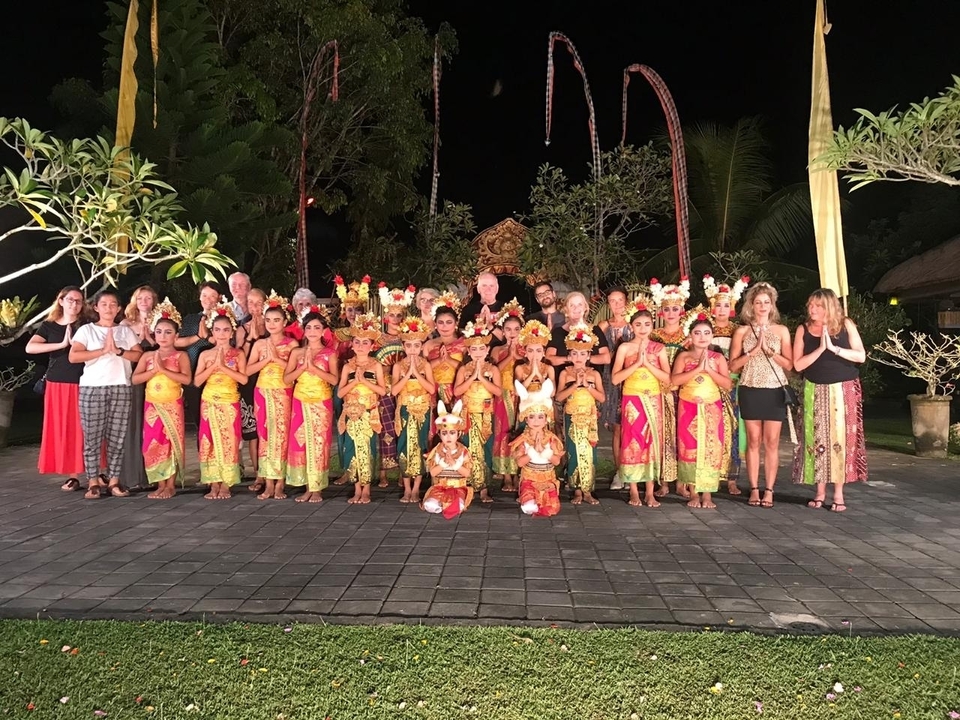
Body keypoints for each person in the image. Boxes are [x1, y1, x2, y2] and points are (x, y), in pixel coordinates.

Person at [792, 288, 868, 511]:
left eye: (817, 306)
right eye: (811, 305)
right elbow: (798, 365)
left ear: (829, 307)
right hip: (814, 388)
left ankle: (839, 495)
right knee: (816, 440)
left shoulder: (846, 325)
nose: (812, 309)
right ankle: (819, 492)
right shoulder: (803, 329)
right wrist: (821, 348)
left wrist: (834, 349)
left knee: (840, 440)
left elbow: (860, 356)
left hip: (843, 389)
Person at [68, 289, 144, 499]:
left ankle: (113, 481)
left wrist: (119, 350)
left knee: (117, 438)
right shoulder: (87, 330)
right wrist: (102, 351)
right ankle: (93, 481)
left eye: (113, 305)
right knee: (92, 437)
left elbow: (138, 354)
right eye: (104, 304)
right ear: (96, 307)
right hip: (92, 388)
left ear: (119, 308)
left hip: (121, 386)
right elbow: (74, 356)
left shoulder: (125, 332)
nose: (109, 308)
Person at [729, 282, 793, 509]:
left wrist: (769, 351)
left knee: (772, 442)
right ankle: (754, 488)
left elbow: (790, 364)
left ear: (772, 304)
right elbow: (733, 366)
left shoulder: (782, 331)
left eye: (766, 302)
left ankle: (770, 490)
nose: (762, 306)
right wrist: (753, 351)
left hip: (775, 390)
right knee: (753, 441)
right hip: (750, 388)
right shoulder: (742, 331)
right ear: (751, 306)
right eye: (758, 302)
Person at [26, 286, 88, 491]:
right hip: (58, 383)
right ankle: (73, 475)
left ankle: (97, 471)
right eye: (70, 299)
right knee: (66, 429)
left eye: (78, 301)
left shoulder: (85, 324)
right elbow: (31, 347)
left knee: (88, 428)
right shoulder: (49, 325)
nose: (74, 304)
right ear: (61, 301)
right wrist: (61, 344)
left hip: (85, 381)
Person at [611, 298, 671, 507]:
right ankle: (634, 490)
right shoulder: (625, 348)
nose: (643, 328)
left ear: (653, 325)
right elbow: (616, 378)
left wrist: (647, 363)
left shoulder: (659, 348)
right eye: (638, 324)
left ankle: (650, 492)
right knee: (632, 442)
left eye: (647, 324)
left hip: (653, 399)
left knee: (652, 443)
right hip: (632, 400)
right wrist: (637, 363)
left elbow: (667, 378)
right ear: (631, 326)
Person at [131, 300, 191, 500]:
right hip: (153, 406)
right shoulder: (147, 356)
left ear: (176, 335)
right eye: (159, 332)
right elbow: (135, 378)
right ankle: (159, 482)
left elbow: (187, 379)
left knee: (171, 443)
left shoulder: (180, 355)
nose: (163, 336)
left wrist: (163, 370)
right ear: (153, 334)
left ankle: (171, 485)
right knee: (153, 443)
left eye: (168, 332)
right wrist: (153, 371)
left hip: (172, 405)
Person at [672, 313, 733, 509]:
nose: (702, 337)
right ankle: (693, 493)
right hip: (688, 408)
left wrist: (709, 370)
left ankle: (707, 494)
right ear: (691, 336)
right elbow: (674, 381)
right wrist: (697, 368)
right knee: (689, 449)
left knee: (710, 449)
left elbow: (727, 384)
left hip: (711, 408)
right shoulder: (683, 356)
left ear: (712, 336)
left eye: (707, 333)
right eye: (697, 333)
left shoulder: (718, 358)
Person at [284, 309, 339, 503]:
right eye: (309, 327)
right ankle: (307, 486)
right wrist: (302, 368)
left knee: (318, 444)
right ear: (304, 330)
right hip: (300, 401)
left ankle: (317, 488)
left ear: (324, 330)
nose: (313, 331)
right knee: (301, 442)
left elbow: (334, 380)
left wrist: (313, 368)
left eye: (317, 327)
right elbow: (286, 378)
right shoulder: (297, 352)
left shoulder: (329, 353)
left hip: (320, 403)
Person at [193, 302, 247, 500]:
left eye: (226, 330)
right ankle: (213, 482)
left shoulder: (238, 354)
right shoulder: (205, 354)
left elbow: (243, 379)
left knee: (228, 442)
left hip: (229, 402)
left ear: (232, 332)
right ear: (212, 332)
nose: (222, 334)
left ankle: (226, 483)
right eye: (217, 330)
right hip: (209, 402)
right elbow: (197, 381)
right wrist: (213, 366)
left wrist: (223, 367)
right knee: (209, 442)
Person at [246, 293, 297, 499]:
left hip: (284, 392)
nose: (272, 324)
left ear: (285, 322)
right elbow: (248, 371)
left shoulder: (292, 344)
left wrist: (276, 358)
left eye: (277, 320)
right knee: (265, 436)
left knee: (282, 436)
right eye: (268, 320)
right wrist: (265, 361)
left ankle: (280, 484)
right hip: (263, 392)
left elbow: (295, 371)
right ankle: (268, 481)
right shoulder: (259, 344)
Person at [703, 274, 750, 496]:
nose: (721, 309)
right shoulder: (702, 329)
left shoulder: (738, 331)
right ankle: (706, 474)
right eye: (718, 305)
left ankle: (732, 478)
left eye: (726, 305)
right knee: (708, 428)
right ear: (712, 307)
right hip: (707, 384)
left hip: (731, 384)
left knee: (733, 430)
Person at [338, 312, 388, 504]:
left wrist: (364, 382)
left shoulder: (376, 365)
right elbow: (341, 393)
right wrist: (354, 382)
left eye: (365, 342)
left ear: (372, 345)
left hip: (368, 413)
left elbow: (382, 391)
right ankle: (356, 488)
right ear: (352, 344)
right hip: (351, 414)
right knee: (352, 449)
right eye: (357, 342)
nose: (360, 346)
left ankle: (366, 489)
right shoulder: (347, 366)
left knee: (366, 449)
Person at [555, 324, 605, 505]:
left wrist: (588, 387)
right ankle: (576, 489)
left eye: (582, 353)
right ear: (569, 354)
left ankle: (588, 490)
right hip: (572, 416)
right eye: (574, 353)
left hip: (589, 417)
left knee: (590, 453)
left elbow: (602, 397)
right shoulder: (565, 374)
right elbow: (559, 397)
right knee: (574, 452)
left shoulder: (594, 374)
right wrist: (575, 385)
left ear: (589, 355)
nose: (578, 357)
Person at [649, 277, 690, 497]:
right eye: (668, 309)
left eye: (675, 308)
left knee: (684, 435)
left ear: (681, 310)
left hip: (684, 391)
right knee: (664, 435)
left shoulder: (689, 336)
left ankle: (684, 480)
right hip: (661, 390)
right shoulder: (654, 335)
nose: (672, 313)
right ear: (661, 312)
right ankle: (664, 480)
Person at [454, 320, 502, 503]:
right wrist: (473, 376)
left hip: (485, 415)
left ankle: (484, 488)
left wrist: (481, 377)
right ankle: (469, 485)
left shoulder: (493, 369)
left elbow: (498, 392)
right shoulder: (464, 370)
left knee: (485, 450)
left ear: (487, 350)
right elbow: (457, 391)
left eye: (482, 349)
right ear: (469, 351)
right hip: (468, 414)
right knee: (468, 449)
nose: (478, 353)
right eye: (474, 349)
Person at [392, 316, 436, 504]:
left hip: (422, 409)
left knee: (419, 446)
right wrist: (407, 373)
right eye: (408, 346)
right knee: (404, 446)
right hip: (405, 410)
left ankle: (417, 488)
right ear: (403, 346)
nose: (412, 350)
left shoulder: (425, 365)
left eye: (416, 346)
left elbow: (432, 389)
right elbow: (394, 390)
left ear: (421, 346)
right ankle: (407, 488)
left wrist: (416, 373)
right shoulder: (397, 366)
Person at [376, 284, 415, 487]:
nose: (396, 319)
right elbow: (376, 365)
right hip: (385, 386)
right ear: (386, 316)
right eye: (392, 315)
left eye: (400, 315)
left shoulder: (409, 338)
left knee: (405, 427)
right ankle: (383, 471)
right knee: (386, 428)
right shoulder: (379, 339)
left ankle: (404, 471)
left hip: (406, 386)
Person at [120, 285, 158, 491]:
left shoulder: (162, 321)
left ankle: (157, 474)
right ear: (135, 300)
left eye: (149, 298)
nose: (144, 301)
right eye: (140, 298)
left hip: (157, 377)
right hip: (134, 376)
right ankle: (132, 474)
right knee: (134, 421)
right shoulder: (125, 324)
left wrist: (150, 338)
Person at [597, 287, 633, 489]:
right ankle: (620, 472)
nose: (617, 304)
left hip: (631, 378)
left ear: (626, 301)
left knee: (632, 426)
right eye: (612, 300)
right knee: (618, 427)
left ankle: (634, 469)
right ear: (608, 304)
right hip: (611, 379)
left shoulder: (634, 325)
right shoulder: (604, 326)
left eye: (620, 300)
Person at [512, 378, 564, 517]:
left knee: (552, 509)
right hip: (529, 478)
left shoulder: (552, 439)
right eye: (532, 417)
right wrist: (533, 451)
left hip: (547, 478)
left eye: (540, 417)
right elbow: (519, 462)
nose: (536, 421)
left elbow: (557, 461)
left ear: (546, 418)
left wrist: (546, 452)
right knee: (530, 507)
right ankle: (526, 496)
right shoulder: (523, 440)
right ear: (526, 418)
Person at [175, 282, 221, 430]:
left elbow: (229, 343)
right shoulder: (190, 319)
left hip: (218, 376)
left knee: (217, 419)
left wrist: (207, 337)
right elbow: (176, 342)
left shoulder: (225, 317)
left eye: (213, 296)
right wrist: (198, 337)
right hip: (193, 374)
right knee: (199, 420)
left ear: (219, 298)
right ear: (200, 297)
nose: (208, 299)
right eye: (205, 295)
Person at [491, 300, 524, 492]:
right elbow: (494, 371)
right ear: (503, 331)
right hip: (502, 396)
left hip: (521, 396)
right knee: (502, 433)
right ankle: (506, 475)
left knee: (520, 431)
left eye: (516, 329)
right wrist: (510, 356)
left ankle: (520, 472)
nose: (512, 333)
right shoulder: (497, 350)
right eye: (508, 329)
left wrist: (517, 355)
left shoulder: (527, 349)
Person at [422, 400, 473, 518]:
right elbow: (433, 473)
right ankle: (443, 504)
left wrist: (455, 464)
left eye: (452, 432)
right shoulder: (436, 451)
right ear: (439, 434)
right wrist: (443, 463)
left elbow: (467, 473)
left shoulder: (463, 452)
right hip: (439, 487)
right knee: (429, 505)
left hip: (457, 488)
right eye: (444, 433)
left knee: (457, 505)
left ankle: (448, 505)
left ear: (458, 434)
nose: (448, 436)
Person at [238, 288, 267, 481]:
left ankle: (273, 471)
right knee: (253, 430)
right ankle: (258, 473)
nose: (254, 307)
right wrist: (250, 337)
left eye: (258, 303)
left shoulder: (274, 324)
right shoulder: (241, 327)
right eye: (250, 303)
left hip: (270, 382)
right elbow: (239, 356)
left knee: (270, 428)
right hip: (248, 383)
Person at [424, 294, 466, 409]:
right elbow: (422, 369)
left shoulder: (464, 344)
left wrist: (448, 360)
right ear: (435, 324)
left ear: (456, 323)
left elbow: (469, 369)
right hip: (433, 391)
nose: (444, 326)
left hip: (458, 390)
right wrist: (438, 361)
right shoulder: (428, 345)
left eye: (449, 322)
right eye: (440, 322)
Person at [459, 272, 504, 342]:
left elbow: (510, 339)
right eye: (484, 285)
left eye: (491, 286)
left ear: (497, 289)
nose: (488, 289)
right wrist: (479, 323)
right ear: (478, 289)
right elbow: (462, 338)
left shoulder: (506, 308)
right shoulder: (468, 310)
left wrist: (490, 326)